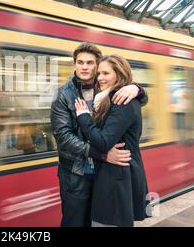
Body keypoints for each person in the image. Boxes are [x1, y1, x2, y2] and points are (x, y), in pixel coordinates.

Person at [51, 43, 148, 227]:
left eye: (89, 63)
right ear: (74, 65)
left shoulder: (105, 88)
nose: (84, 67)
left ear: (97, 65)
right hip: (76, 173)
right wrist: (101, 154)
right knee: (76, 222)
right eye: (80, 62)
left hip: (102, 174)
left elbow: (130, 101)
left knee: (98, 222)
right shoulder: (63, 95)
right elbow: (63, 137)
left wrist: (137, 89)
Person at [75, 55, 150, 227]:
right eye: (99, 73)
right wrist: (137, 88)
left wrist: (83, 116)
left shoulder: (121, 101)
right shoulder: (105, 97)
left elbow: (103, 142)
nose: (100, 77)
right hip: (110, 175)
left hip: (117, 177)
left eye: (105, 73)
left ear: (119, 74)